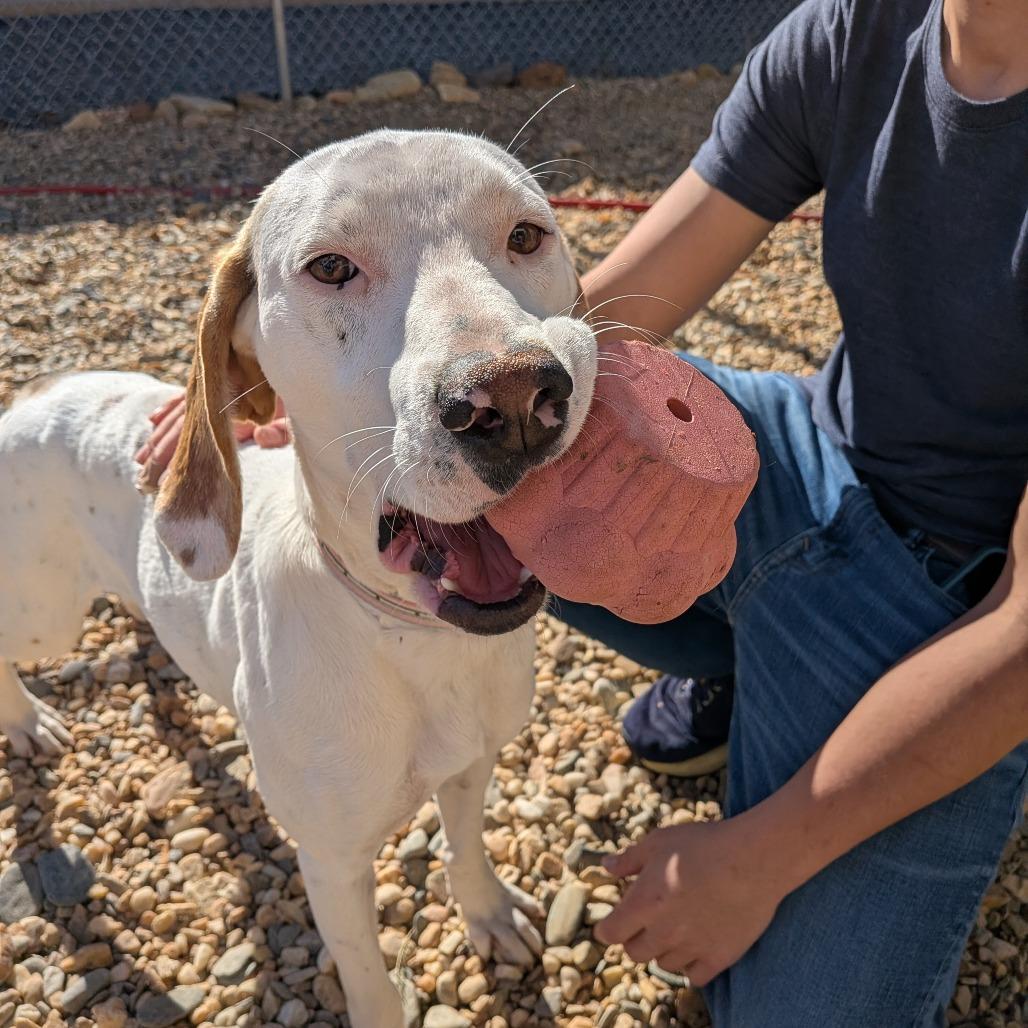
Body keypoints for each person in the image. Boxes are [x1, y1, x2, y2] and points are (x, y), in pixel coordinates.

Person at [138, 0, 1028, 1022]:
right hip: (816, 449)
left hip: (969, 588)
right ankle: (757, 658)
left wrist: (760, 853)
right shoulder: (850, 33)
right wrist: (291, 398)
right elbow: (594, 317)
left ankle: (801, 663)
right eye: (331, 268)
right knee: (524, 496)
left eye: (525, 226)